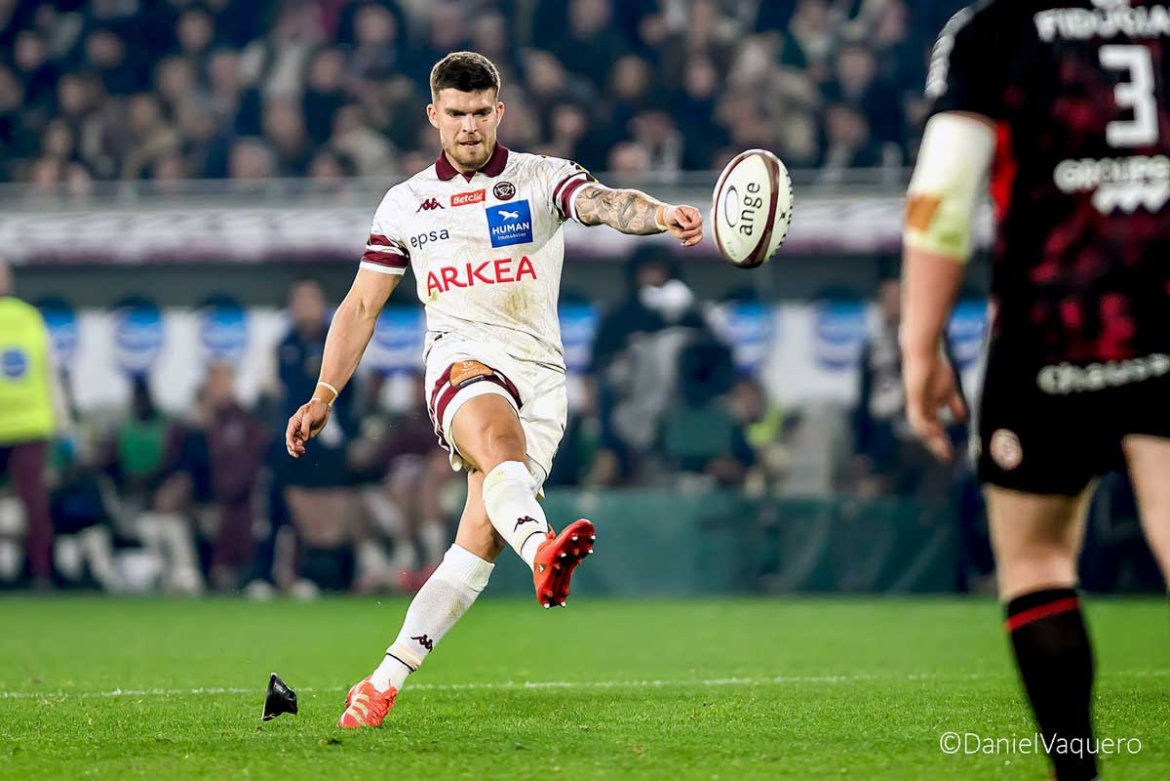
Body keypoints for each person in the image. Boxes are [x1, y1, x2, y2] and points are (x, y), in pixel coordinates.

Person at [285, 51, 703, 728]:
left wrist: (660, 216)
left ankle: (380, 683)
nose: (470, 126)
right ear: (434, 115)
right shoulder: (406, 202)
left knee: (474, 548)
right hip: (462, 361)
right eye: (456, 113)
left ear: (499, 112)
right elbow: (361, 305)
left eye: (481, 112)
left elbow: (605, 204)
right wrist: (324, 393)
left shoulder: (541, 177)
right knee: (497, 441)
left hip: (542, 380)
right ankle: (543, 553)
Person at [902, 4, 1170, 780]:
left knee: (1036, 558)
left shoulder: (993, 28)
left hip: (1053, 323)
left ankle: (1075, 771)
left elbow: (942, 196)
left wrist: (920, 340)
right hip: (1161, 307)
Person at [0, 260, 68, 588]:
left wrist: (62, 422)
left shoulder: (30, 318)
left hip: (29, 426)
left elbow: (49, 372)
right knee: (34, 504)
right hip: (30, 424)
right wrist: (62, 421)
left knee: (34, 505)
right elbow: (51, 372)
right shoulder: (30, 318)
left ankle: (40, 571)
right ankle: (40, 572)